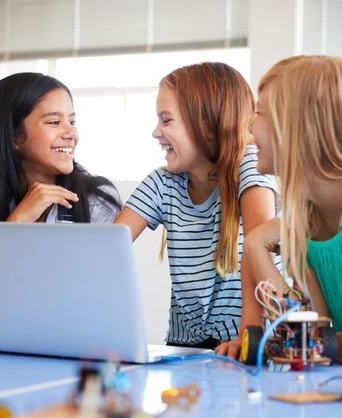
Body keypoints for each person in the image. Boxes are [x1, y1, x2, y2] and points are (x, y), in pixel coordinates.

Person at [114, 62, 279, 357]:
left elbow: (259, 251)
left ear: (208, 126)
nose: (156, 132)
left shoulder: (250, 165)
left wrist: (249, 336)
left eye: (166, 120)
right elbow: (106, 248)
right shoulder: (163, 183)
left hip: (252, 339)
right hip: (185, 348)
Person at [244, 55, 342, 354]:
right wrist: (254, 244)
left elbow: (317, 346)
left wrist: (310, 344)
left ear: (297, 127)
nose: (249, 126)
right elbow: (316, 334)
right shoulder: (305, 223)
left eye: (259, 113)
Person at [0, 72, 121, 223]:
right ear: (15, 136)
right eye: (54, 122)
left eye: (72, 122)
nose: (72, 133)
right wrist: (17, 221)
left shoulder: (97, 201)